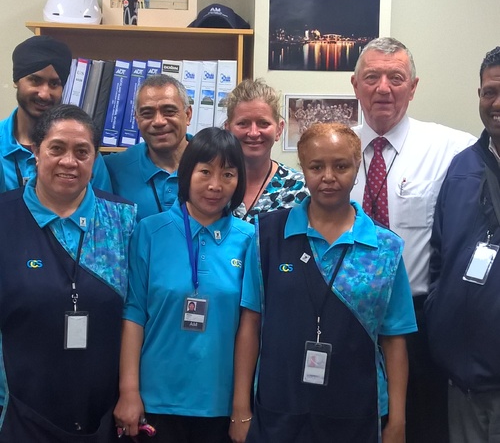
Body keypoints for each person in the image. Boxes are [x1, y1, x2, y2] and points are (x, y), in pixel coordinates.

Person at [230, 123, 417, 443]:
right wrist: (240, 408)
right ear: (303, 168)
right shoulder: (268, 235)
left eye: (341, 165)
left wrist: (397, 421)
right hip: (278, 406)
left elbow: (394, 339)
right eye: (317, 166)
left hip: (357, 409)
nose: (328, 176)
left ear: (357, 168)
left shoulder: (385, 248)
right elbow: (251, 322)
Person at [350, 37, 477, 443]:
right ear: (355, 84)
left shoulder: (453, 150)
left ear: (413, 86)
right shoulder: (335, 149)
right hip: (348, 314)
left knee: (422, 427)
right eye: (372, 77)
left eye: (396, 77)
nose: (383, 88)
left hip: (421, 324)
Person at [0, 104, 136, 442]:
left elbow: (137, 313)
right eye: (57, 148)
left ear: (95, 158)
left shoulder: (124, 221)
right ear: (35, 151)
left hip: (104, 414)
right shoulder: (4, 218)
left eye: (82, 151)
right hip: (20, 411)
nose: (69, 161)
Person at [113, 127, 255, 443]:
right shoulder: (149, 232)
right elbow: (134, 315)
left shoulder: (250, 241)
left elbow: (249, 327)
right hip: (155, 400)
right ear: (186, 174)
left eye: (228, 174)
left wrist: (241, 407)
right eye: (205, 172)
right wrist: (129, 392)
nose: (215, 185)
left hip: (220, 405)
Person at [425, 46, 500, 443]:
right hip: (464, 380)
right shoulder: (462, 168)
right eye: (490, 91)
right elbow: (440, 257)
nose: (497, 102)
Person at [0, 35, 111, 191]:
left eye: (54, 84)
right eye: (35, 80)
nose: (44, 94)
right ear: (16, 80)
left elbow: (104, 210)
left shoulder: (83, 147)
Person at [104, 74, 192, 220]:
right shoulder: (113, 167)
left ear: (188, 115)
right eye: (147, 113)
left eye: (169, 111)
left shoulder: (215, 161)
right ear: (137, 119)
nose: (158, 121)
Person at [225, 78, 308, 222]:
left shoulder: (298, 188)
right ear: (228, 129)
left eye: (263, 123)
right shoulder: (213, 184)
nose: (253, 133)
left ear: (279, 129)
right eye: (243, 123)